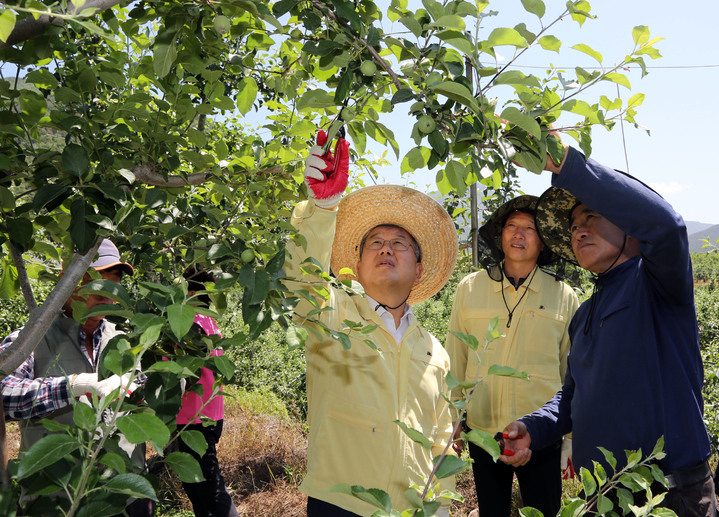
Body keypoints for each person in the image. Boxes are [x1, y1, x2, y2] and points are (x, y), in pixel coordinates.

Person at [499, 143, 717, 516]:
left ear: (629, 226)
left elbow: (667, 227)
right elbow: (571, 397)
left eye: (592, 217)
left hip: (669, 498)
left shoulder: (658, 285)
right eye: (573, 227)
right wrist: (534, 428)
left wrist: (570, 166)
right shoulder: (584, 315)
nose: (579, 230)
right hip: (603, 499)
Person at [284, 131, 459, 516]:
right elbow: (302, 279)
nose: (385, 247)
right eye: (374, 242)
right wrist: (322, 211)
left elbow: (443, 436)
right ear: (357, 266)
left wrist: (441, 501)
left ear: (419, 268)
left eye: (399, 243)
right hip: (341, 504)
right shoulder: (331, 315)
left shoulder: (434, 350)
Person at [446, 196, 579, 517]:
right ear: (499, 234)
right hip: (482, 430)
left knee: (543, 510)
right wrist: (452, 420)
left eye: (529, 229)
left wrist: (571, 438)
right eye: (511, 226)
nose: (518, 234)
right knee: (492, 510)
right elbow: (455, 356)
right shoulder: (470, 287)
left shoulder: (563, 295)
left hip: (541, 435)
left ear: (543, 240)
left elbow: (572, 371)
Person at [0, 238, 152, 516]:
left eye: (114, 280)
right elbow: (4, 396)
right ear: (66, 280)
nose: (106, 291)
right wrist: (75, 385)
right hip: (55, 498)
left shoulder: (124, 342)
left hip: (124, 498)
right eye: (95, 279)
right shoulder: (30, 340)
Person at [175, 267, 238, 517]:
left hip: (193, 419)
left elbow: (184, 373)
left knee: (210, 489)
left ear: (190, 291)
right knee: (199, 491)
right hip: (210, 415)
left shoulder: (189, 323)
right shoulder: (208, 319)